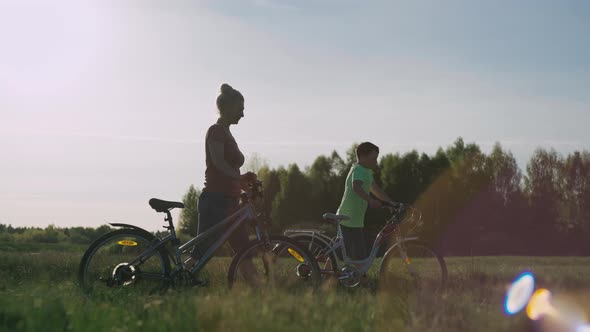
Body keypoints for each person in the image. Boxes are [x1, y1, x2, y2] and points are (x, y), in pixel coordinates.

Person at [184, 83, 257, 273]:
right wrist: (239, 178)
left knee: (244, 250)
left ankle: (261, 295)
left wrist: (242, 181)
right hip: (216, 200)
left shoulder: (227, 133)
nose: (242, 114)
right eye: (240, 109)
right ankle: (177, 282)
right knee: (201, 252)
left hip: (230, 201)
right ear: (228, 108)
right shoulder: (216, 131)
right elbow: (217, 162)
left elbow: (228, 168)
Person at [336, 142, 394, 263]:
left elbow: (375, 189)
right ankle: (361, 279)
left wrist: (391, 203)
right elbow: (356, 186)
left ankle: (358, 278)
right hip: (347, 218)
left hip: (355, 220)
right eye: (374, 158)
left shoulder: (367, 172)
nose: (376, 162)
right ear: (362, 157)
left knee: (349, 252)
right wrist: (371, 201)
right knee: (348, 253)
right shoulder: (358, 169)